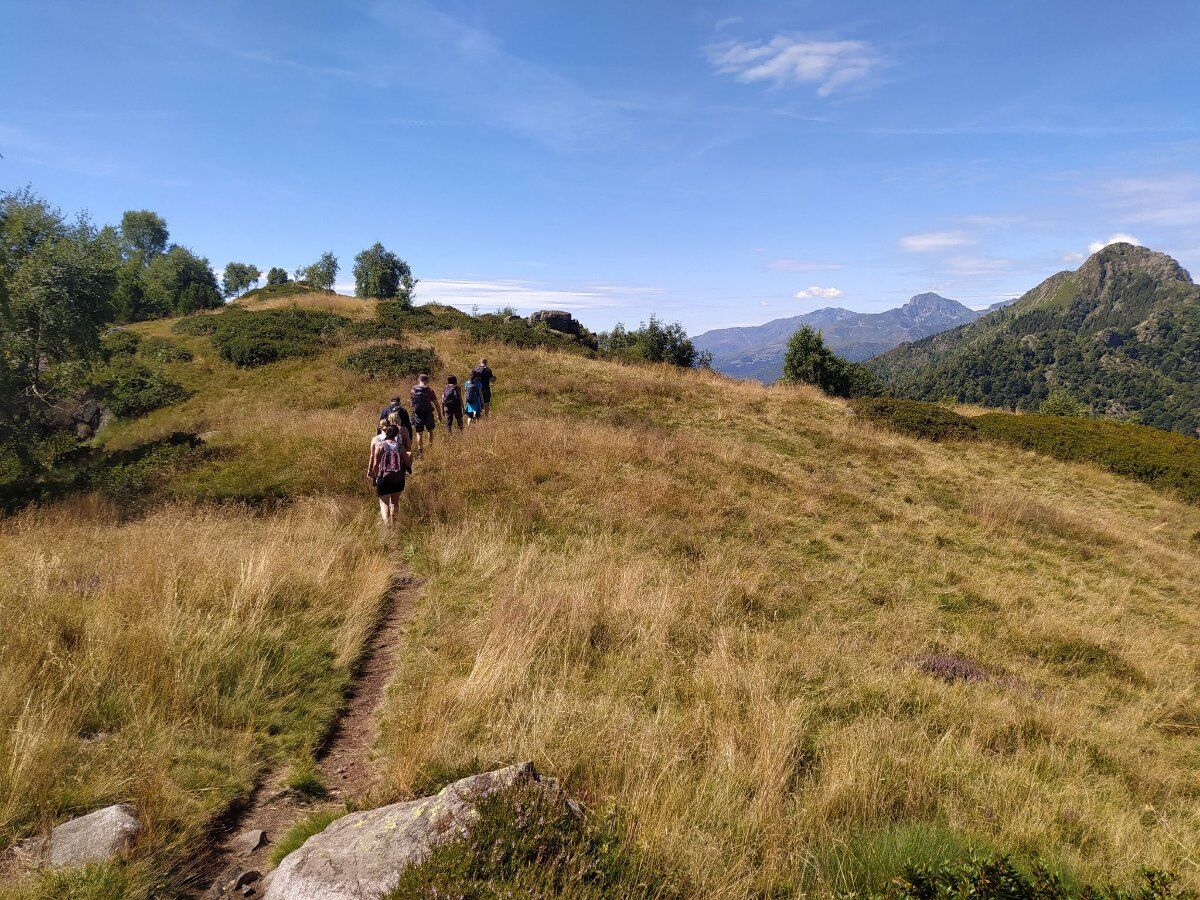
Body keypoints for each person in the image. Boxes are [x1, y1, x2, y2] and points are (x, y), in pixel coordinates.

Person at [366, 424, 410, 526]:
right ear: (396, 434)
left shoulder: (380, 445)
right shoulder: (400, 447)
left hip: (383, 478)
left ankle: (387, 526)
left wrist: (376, 476)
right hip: (398, 479)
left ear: (386, 432)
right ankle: (393, 525)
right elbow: (407, 463)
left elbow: (376, 463)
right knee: (395, 502)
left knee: (384, 503)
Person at [410, 373, 442, 452]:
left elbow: (411, 403)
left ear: (419, 380)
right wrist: (439, 414)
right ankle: (430, 447)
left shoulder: (413, 389)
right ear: (427, 381)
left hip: (417, 414)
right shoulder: (430, 390)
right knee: (430, 430)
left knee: (419, 432)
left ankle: (420, 449)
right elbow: (436, 404)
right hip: (428, 413)